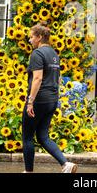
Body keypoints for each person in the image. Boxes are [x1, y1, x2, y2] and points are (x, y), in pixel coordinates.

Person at [22, 23, 77, 173]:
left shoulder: (37, 54)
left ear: (39, 37)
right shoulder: (54, 54)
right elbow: (57, 79)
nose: (30, 40)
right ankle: (66, 164)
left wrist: (30, 102)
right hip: (52, 99)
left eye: (32, 37)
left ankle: (28, 171)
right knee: (42, 136)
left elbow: (37, 78)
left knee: (27, 137)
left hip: (39, 99)